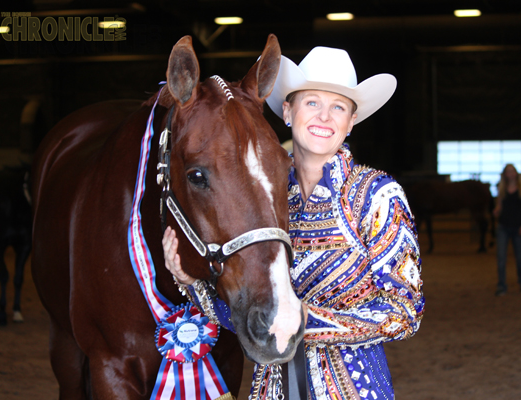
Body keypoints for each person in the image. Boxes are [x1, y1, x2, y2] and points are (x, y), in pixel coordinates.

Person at [162, 46, 424, 400]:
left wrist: (304, 320)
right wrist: (190, 282)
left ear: (351, 123)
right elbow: (249, 315)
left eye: (339, 107)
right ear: (287, 111)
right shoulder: (265, 196)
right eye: (312, 102)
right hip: (270, 390)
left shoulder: (377, 195)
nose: (325, 116)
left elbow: (405, 312)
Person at [493, 164, 521, 296]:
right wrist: (497, 211)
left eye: (512, 171)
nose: (510, 174)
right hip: (503, 227)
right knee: (501, 258)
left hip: (518, 227)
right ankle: (501, 285)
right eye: (508, 171)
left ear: (516, 173)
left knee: (520, 258)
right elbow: (499, 206)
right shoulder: (501, 189)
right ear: (505, 174)